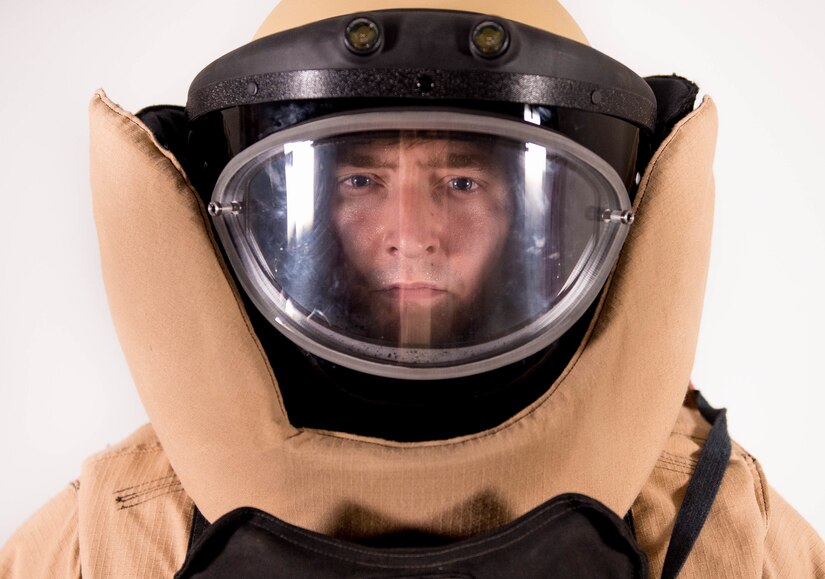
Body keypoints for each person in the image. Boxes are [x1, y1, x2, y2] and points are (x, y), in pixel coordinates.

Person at [2, 0, 823, 576]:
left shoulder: (712, 523)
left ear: (568, 217)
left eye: (462, 182)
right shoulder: (114, 530)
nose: (412, 231)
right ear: (272, 210)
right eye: (359, 180)